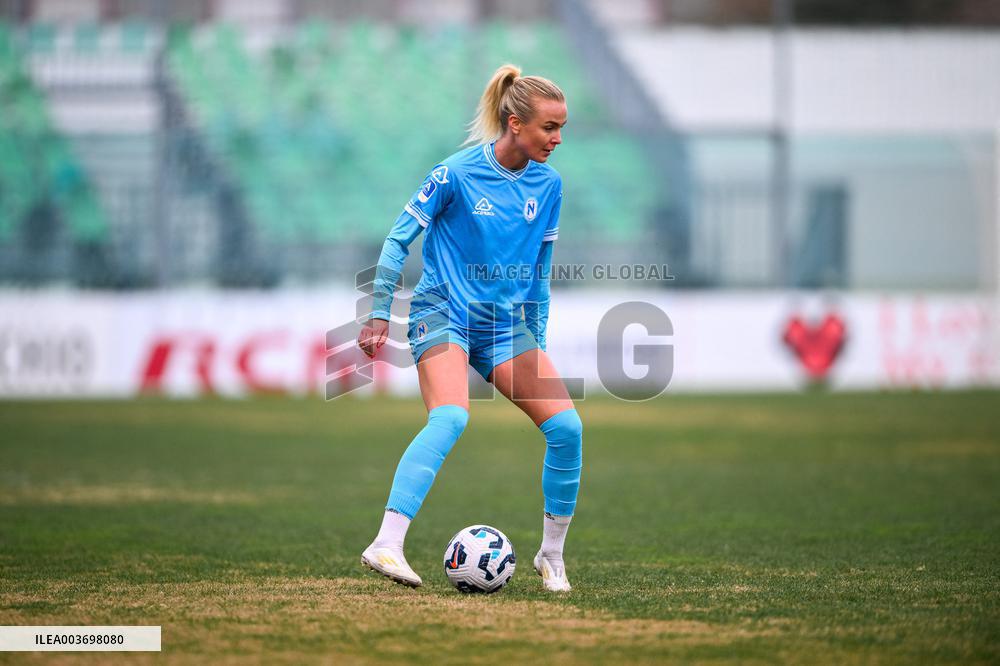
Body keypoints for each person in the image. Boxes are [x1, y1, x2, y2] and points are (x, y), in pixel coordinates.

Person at [356, 64, 582, 593]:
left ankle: (551, 557)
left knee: (567, 429)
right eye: (549, 127)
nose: (557, 138)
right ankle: (386, 543)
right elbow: (397, 240)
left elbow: (540, 274)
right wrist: (378, 311)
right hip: (443, 312)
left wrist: (538, 342)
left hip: (504, 326)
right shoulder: (455, 172)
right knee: (452, 416)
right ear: (514, 122)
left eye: (561, 127)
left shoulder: (549, 185)